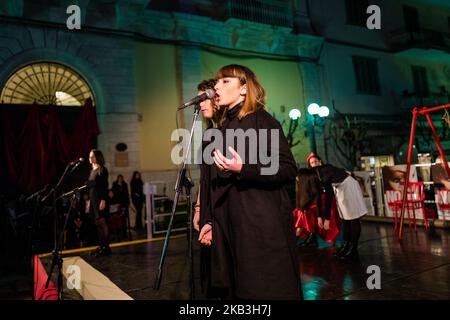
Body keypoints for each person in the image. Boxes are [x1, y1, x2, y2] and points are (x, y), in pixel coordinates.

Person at [200, 64, 301, 299]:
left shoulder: (262, 120)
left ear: (244, 89)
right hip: (230, 226)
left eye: (225, 81)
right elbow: (212, 181)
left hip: (260, 226)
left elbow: (287, 169)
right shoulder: (223, 127)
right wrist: (208, 219)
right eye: (217, 82)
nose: (217, 86)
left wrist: (244, 169)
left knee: (264, 289)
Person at [192, 78, 227, 299]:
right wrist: (198, 208)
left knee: (222, 273)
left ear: (217, 97)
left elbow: (226, 184)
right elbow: (205, 178)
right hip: (207, 209)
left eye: (204, 98)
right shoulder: (208, 136)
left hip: (222, 213)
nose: (200, 104)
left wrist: (214, 221)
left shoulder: (229, 132)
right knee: (208, 274)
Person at [312, 158, 367, 259]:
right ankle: (346, 245)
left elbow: (328, 197)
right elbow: (318, 198)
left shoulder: (323, 174)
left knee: (353, 218)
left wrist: (327, 219)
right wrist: (320, 216)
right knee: (345, 218)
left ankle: (353, 247)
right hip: (340, 187)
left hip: (348, 185)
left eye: (315, 162)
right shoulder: (316, 176)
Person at [293, 153, 340, 246]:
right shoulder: (308, 175)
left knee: (308, 211)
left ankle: (305, 234)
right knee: (300, 210)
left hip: (324, 198)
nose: (314, 163)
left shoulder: (325, 172)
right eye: (312, 162)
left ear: (320, 162)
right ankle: (310, 235)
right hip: (314, 198)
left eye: (316, 161)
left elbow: (326, 193)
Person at [87, 149, 111, 256]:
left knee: (102, 223)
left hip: (100, 200)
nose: (90, 158)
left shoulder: (102, 170)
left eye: (92, 156)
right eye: (89, 156)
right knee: (97, 223)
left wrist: (103, 200)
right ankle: (101, 246)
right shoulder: (92, 170)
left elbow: (104, 187)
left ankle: (106, 247)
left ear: (98, 157)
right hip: (93, 200)